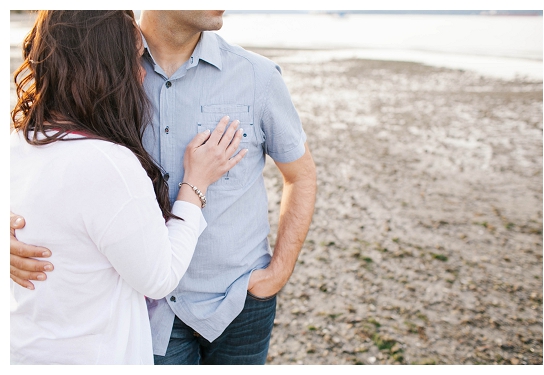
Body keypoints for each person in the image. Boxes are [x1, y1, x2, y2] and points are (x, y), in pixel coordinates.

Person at [10, 10, 317, 365]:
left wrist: (278, 272)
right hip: (149, 311)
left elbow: (300, 175)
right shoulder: (104, 67)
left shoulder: (257, 76)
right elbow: (45, 159)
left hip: (241, 302)